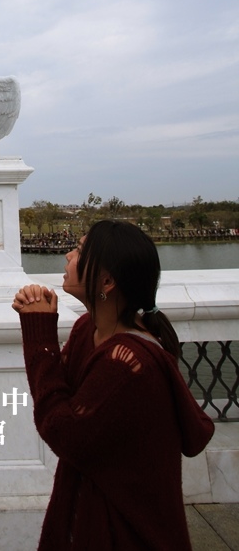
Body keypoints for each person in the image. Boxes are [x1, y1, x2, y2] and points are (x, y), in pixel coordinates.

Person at [12, 220, 213, 551]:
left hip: (121, 530)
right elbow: (62, 394)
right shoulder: (86, 329)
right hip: (83, 512)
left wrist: (39, 336)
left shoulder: (126, 363)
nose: (67, 256)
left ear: (106, 280)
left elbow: (63, 430)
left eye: (78, 250)